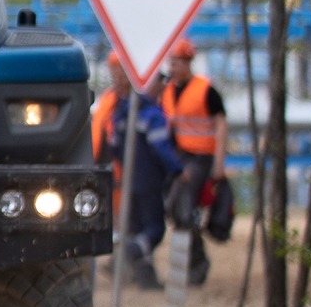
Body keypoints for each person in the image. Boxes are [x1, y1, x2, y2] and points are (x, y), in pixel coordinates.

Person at [93, 52, 180, 290]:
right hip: (149, 181)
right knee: (154, 229)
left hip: (127, 180)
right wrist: (176, 170)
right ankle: (124, 256)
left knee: (134, 228)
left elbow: (114, 147)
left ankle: (144, 278)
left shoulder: (123, 112)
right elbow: (162, 149)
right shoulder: (151, 114)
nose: (164, 86)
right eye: (160, 80)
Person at [159, 44, 227, 286]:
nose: (172, 67)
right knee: (176, 211)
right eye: (171, 62)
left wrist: (219, 163)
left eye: (177, 62)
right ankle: (191, 263)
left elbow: (220, 124)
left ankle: (195, 264)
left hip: (200, 157)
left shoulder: (206, 90)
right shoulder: (168, 91)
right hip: (178, 157)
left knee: (183, 210)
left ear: (188, 62)